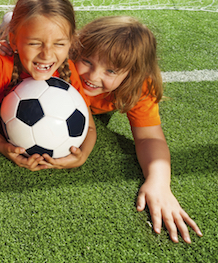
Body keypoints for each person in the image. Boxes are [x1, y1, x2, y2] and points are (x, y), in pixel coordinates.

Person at [72, 16, 202, 243]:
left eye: (111, 71)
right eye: (87, 61)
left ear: (132, 75)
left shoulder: (140, 86)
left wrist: (159, 182)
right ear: (75, 50)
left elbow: (149, 137)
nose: (93, 76)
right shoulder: (61, 61)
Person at [0, 0, 97, 171]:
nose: (46, 54)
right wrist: (1, 145)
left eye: (59, 43)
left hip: (15, 39)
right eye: (35, 43)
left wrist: (82, 156)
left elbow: (90, 127)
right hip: (1, 49)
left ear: (71, 42)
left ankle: (9, 22)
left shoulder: (68, 71)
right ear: (15, 41)